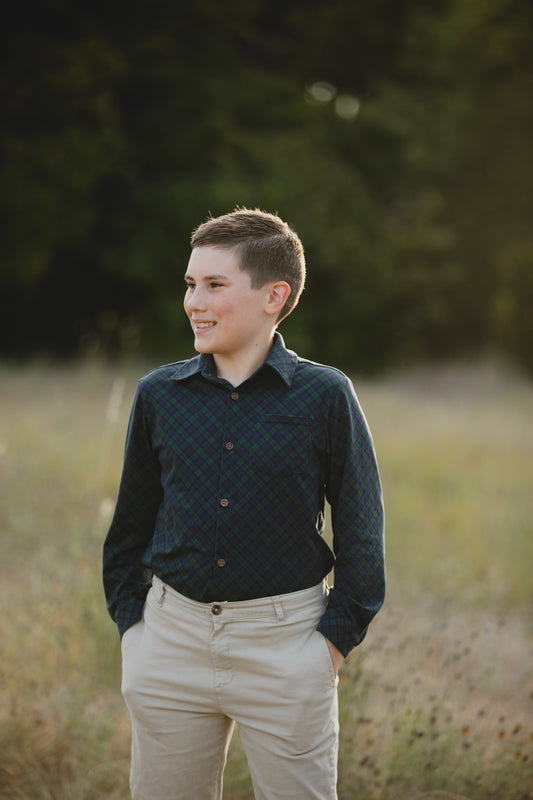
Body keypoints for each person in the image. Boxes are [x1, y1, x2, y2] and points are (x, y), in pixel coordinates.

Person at [103, 207, 385, 800]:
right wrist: (136, 632)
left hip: (286, 649)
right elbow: (128, 526)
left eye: (214, 285)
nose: (193, 302)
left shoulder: (325, 396)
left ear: (273, 296)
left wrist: (329, 646)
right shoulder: (160, 394)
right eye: (189, 284)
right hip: (168, 644)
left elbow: (361, 533)